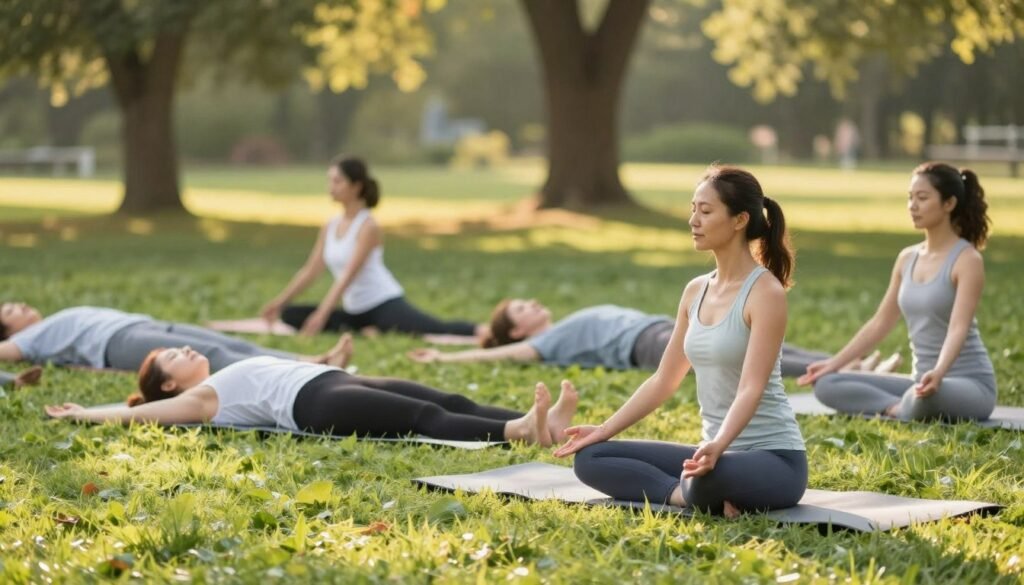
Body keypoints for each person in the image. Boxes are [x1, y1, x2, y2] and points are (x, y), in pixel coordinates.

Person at [553, 165, 806, 518]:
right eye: (692, 209)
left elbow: (751, 387)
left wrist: (719, 444)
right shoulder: (695, 290)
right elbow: (664, 379)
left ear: (739, 220)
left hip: (773, 459)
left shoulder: (766, 292)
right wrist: (604, 429)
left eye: (705, 211)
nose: (693, 220)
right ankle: (681, 496)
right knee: (591, 457)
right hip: (712, 454)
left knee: (704, 480)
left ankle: (697, 492)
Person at [45, 344, 579, 446]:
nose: (185, 349)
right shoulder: (199, 399)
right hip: (316, 408)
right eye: (173, 357)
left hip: (330, 382)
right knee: (424, 415)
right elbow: (148, 416)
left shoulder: (227, 368)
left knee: (452, 398)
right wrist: (88, 412)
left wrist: (328, 361)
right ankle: (518, 430)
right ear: (169, 384)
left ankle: (544, 422)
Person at [799, 162, 996, 422]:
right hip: (920, 381)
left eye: (922, 198)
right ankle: (897, 408)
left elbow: (958, 328)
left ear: (949, 203)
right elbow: (880, 323)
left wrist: (939, 372)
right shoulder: (907, 258)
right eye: (910, 198)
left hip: (968, 384)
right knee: (827, 383)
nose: (912, 206)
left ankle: (906, 405)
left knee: (925, 398)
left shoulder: (967, 259)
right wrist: (833, 363)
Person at [213, 156, 484, 341]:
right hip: (354, 311)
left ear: (356, 186)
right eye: (329, 181)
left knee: (434, 330)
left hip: (382, 303)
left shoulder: (369, 226)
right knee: (291, 315)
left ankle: (481, 329)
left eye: (337, 181)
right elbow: (311, 270)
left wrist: (322, 315)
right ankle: (367, 329)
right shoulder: (330, 225)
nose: (330, 187)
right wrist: (279, 302)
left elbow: (348, 276)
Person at [409, 299, 900, 378]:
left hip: (666, 327)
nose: (534, 305)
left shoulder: (551, 329)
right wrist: (443, 361)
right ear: (517, 330)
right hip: (650, 344)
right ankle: (844, 368)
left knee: (758, 343)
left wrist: (440, 342)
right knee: (749, 355)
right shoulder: (545, 343)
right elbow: (496, 351)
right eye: (523, 310)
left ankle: (844, 362)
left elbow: (475, 337)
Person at [0, 302, 352, 372]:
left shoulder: (43, 327)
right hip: (119, 345)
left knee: (230, 343)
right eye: (10, 311)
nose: (19, 306)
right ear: (11, 329)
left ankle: (310, 361)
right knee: (213, 354)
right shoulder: (28, 340)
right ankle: (310, 369)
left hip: (142, 324)